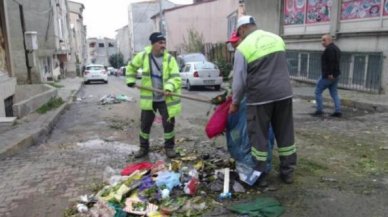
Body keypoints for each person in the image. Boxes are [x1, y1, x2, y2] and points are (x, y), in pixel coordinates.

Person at [229, 15, 297, 184]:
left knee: (258, 136)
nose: (240, 35)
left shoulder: (243, 48)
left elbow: (239, 80)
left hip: (260, 98)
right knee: (285, 134)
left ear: (242, 29)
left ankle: (260, 175)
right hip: (284, 94)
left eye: (239, 32)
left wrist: (235, 102)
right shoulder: (277, 39)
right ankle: (287, 172)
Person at [126, 32, 182, 158]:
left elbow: (176, 78)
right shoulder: (143, 56)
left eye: (164, 42)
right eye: (160, 42)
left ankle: (169, 148)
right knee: (145, 125)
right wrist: (130, 80)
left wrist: (169, 87)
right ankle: (143, 148)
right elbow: (131, 67)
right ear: (152, 44)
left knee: (169, 124)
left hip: (165, 98)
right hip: (150, 99)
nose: (163, 45)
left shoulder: (169, 59)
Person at [312, 34, 342, 117]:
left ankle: (319, 110)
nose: (322, 42)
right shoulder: (336, 48)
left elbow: (332, 62)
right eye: (322, 40)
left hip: (329, 76)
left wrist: (330, 74)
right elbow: (336, 62)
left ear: (329, 40)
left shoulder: (329, 49)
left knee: (318, 91)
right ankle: (338, 111)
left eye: (324, 40)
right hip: (336, 75)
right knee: (334, 93)